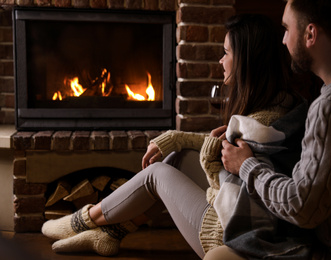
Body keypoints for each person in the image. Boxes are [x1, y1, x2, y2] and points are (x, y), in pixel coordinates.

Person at [40, 14, 310, 258]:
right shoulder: (281, 106)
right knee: (176, 155)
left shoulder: (256, 127)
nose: (220, 60)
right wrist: (177, 137)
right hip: (240, 213)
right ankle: (110, 234)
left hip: (226, 232)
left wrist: (205, 145)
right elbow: (224, 155)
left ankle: (83, 220)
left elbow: (220, 171)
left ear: (246, 60)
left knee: (157, 173)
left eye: (226, 52)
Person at [213, 0, 331, 259]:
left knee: (218, 255)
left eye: (286, 28)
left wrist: (246, 166)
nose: (283, 40)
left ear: (310, 34)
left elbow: (300, 207)